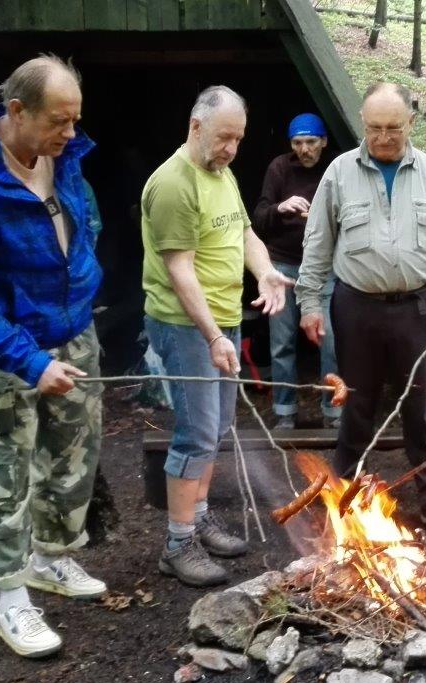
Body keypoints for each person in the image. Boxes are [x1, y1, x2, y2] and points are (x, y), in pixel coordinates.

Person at [0, 55, 107, 658]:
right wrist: (30, 362)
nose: (71, 133)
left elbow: (85, 223)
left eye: (75, 120)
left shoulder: (65, 157)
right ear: (15, 112)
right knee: (0, 473)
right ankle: (11, 602)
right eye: (59, 121)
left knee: (71, 457)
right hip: (6, 351)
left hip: (74, 334)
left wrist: (84, 279)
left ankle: (52, 560)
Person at [297, 83, 426, 538]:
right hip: (355, 308)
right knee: (356, 406)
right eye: (374, 128)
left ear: (411, 123)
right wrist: (310, 304)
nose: (383, 137)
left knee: (421, 408)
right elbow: (317, 246)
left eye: (393, 128)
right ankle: (343, 503)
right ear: (363, 124)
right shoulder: (338, 173)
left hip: (419, 309)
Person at [141, 85, 292, 587]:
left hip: (222, 318)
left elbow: (244, 232)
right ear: (196, 126)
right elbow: (180, 271)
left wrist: (266, 271)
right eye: (224, 137)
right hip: (185, 325)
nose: (231, 148)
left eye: (238, 139)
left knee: (218, 426)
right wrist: (212, 336)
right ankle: (177, 544)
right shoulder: (173, 184)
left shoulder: (219, 173)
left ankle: (199, 517)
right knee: (197, 432)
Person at [253, 113, 341, 430]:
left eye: (311, 142)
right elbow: (259, 217)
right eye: (297, 142)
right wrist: (281, 207)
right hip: (283, 265)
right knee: (282, 341)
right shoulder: (279, 168)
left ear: (324, 142)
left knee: (329, 340)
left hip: (324, 267)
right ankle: (285, 411)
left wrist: (322, 219)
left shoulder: (335, 169)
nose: (304, 149)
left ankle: (333, 411)